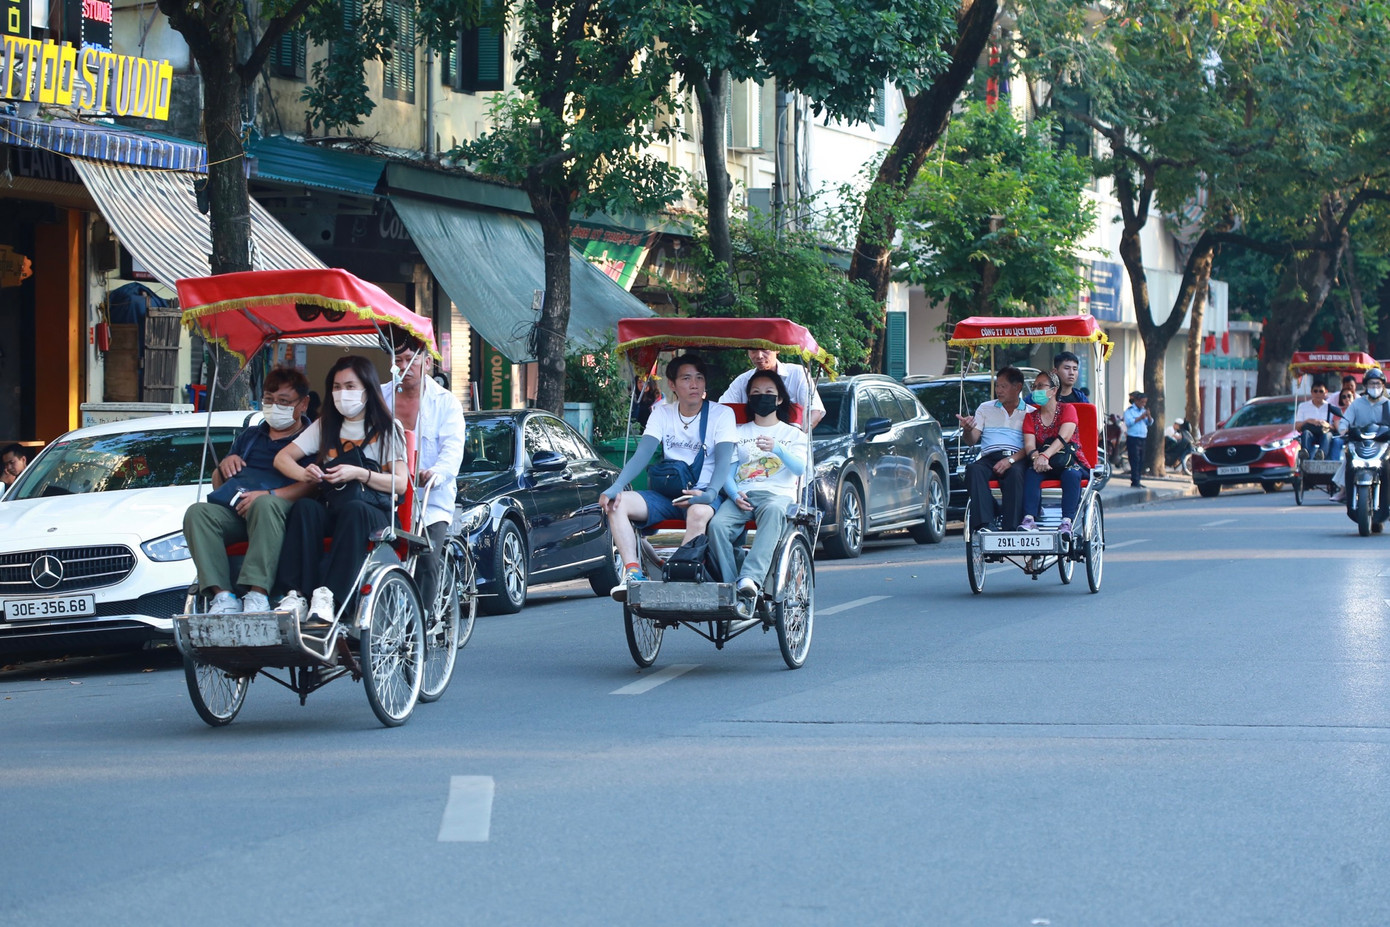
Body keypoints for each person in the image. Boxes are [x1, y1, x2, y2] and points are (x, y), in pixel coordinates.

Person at [274, 355, 408, 627]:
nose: (342, 393)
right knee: (305, 508)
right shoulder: (325, 425)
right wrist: (305, 474)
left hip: (375, 513)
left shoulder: (387, 428)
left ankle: (329, 596)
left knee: (355, 510)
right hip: (334, 508)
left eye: (349, 386)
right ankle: (296, 594)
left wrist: (360, 473)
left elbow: (401, 483)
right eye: (336, 387)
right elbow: (282, 458)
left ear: (367, 390)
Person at [600, 353, 737, 596]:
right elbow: (643, 454)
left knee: (698, 512)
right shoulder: (662, 413)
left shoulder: (722, 414)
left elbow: (724, 462)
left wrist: (710, 494)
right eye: (686, 378)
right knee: (617, 504)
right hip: (667, 494)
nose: (694, 384)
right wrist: (616, 486)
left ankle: (679, 576)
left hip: (704, 494)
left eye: (699, 378)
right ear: (672, 384)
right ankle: (633, 573)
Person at [183, 368, 316, 615]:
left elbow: (313, 485)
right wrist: (224, 466)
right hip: (240, 512)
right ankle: (222, 596)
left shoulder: (312, 437)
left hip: (284, 512)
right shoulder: (250, 436)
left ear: (303, 403)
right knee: (198, 513)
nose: (275, 407)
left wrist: (269, 496)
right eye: (269, 400)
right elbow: (220, 486)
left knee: (264, 505)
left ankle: (258, 593)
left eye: (284, 402)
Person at [380, 328, 465, 609]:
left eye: (410, 360)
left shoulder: (446, 403)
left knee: (427, 560)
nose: (404, 367)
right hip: (388, 494)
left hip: (430, 499)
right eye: (398, 361)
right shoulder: (380, 397)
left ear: (426, 362)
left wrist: (436, 473)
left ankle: (423, 622)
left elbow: (452, 451)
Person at [708, 368, 806, 608]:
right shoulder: (738, 432)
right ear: (749, 399)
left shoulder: (793, 434)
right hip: (743, 494)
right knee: (717, 526)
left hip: (778, 494)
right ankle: (732, 588)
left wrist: (778, 449)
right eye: (756, 393)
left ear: (779, 399)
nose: (762, 396)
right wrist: (734, 494)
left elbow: (799, 468)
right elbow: (727, 471)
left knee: (773, 512)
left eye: (769, 392)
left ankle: (750, 578)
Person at [958, 367, 1030, 532]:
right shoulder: (985, 408)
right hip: (989, 457)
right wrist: (967, 429)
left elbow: (1031, 446)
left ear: (1018, 387)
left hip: (1016, 458)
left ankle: (1011, 527)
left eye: (1003, 386)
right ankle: (985, 524)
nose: (998, 390)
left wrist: (1009, 460)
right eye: (997, 386)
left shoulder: (1030, 412)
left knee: (1015, 474)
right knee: (973, 470)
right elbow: (971, 440)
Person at [1019, 371, 1090, 536]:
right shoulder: (1031, 417)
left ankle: (1067, 521)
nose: (1036, 390)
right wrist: (1037, 458)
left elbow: (1065, 436)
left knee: (1071, 474)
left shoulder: (1068, 409)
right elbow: (1029, 444)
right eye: (1034, 386)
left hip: (1070, 460)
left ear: (1053, 390)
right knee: (1031, 473)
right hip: (1043, 464)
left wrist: (1045, 455)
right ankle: (1029, 518)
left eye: (1040, 386)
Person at [719, 347, 825, 428]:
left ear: (777, 348)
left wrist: (799, 436)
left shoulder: (797, 374)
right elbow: (721, 411)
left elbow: (815, 411)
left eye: (764, 349)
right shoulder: (741, 381)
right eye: (753, 350)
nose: (759, 356)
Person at [1331, 368, 1390, 511]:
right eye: (1371, 384)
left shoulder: (1388, 404)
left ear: (1383, 386)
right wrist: (1343, 429)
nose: (1374, 387)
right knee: (1349, 460)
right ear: (1365, 386)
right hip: (1360, 442)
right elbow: (1345, 420)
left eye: (1377, 384)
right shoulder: (1357, 404)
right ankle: (1344, 490)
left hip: (1383, 443)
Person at [1294, 378, 1342, 460]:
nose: (1318, 394)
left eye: (1321, 391)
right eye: (1315, 391)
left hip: (1324, 433)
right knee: (1306, 433)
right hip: (1310, 433)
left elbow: (1336, 428)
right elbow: (1297, 427)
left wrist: (1327, 425)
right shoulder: (1303, 406)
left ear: (1326, 392)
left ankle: (1321, 454)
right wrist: (1308, 421)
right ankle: (1305, 453)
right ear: (1311, 392)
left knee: (1327, 435)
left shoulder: (1331, 407)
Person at [1123, 391, 1152, 487]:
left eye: (1145, 402)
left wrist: (1148, 416)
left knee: (1141, 460)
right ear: (1136, 401)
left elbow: (1150, 423)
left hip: (1142, 437)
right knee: (1134, 459)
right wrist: (1140, 417)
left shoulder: (1144, 410)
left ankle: (1138, 479)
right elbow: (1129, 423)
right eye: (1142, 402)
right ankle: (1134, 480)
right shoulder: (1129, 411)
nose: (1143, 404)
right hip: (1133, 438)